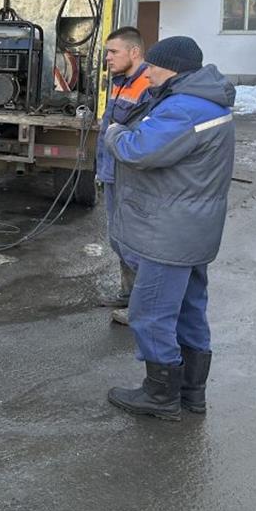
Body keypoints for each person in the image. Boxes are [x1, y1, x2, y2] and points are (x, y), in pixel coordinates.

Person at [104, 36, 235, 420]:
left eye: (154, 66)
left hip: (170, 233)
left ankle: (159, 395)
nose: (149, 72)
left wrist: (114, 133)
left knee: (151, 312)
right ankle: (192, 394)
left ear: (171, 67)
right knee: (189, 310)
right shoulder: (204, 100)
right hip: (192, 229)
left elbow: (139, 149)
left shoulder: (184, 108)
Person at [96, 27, 152, 327]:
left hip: (129, 176)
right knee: (118, 238)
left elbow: (138, 137)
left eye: (113, 52)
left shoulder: (147, 85)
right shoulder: (121, 82)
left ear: (134, 52)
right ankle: (128, 293)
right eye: (107, 52)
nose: (107, 58)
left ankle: (141, 306)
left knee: (132, 240)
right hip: (113, 173)